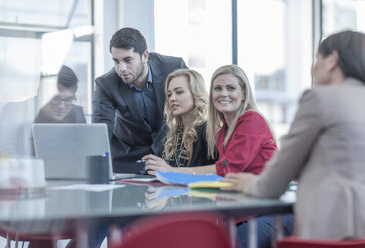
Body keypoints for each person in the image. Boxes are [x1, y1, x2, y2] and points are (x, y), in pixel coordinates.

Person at [221, 30, 365, 240]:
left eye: (317, 59)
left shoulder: (319, 98)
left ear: (332, 60)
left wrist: (250, 184)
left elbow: (280, 173)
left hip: (332, 228)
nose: (313, 68)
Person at [145, 64, 292, 248]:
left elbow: (227, 169)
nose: (223, 93)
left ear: (244, 94)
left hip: (268, 211)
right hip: (241, 209)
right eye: (217, 88)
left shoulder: (252, 119)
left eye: (231, 88)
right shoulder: (222, 132)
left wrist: (173, 172)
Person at [92, 27, 188, 173]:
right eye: (116, 61)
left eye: (127, 60)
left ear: (145, 56)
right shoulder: (106, 84)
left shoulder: (174, 68)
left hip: (173, 158)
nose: (121, 68)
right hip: (129, 161)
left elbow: (198, 106)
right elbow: (101, 129)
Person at [0, 65, 85, 157]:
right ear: (40, 93)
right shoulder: (13, 112)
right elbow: (1, 153)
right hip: (27, 170)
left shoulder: (77, 113)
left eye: (68, 99)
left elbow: (85, 153)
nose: (62, 106)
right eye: (55, 99)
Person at [142, 68, 216, 169]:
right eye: (169, 94)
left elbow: (220, 171)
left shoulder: (207, 130)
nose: (172, 98)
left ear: (196, 94)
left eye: (179, 92)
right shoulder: (172, 134)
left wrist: (172, 171)